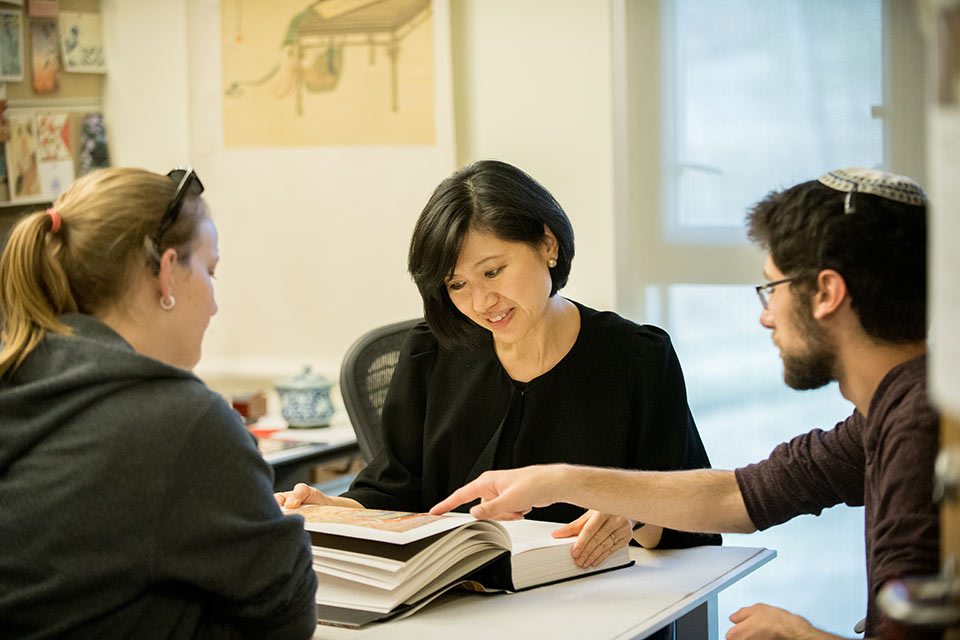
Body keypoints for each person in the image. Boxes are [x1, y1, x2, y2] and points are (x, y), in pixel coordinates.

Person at [431, 168, 940, 640]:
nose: (766, 317)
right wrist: (557, 480)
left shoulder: (922, 431)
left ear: (827, 293)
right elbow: (736, 496)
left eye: (772, 289)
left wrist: (806, 637)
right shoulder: (894, 411)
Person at [277, 159, 720, 569]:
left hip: (601, 599)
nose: (481, 303)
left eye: (493, 272)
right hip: (461, 602)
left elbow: (692, 516)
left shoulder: (636, 357)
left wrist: (634, 514)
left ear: (547, 244)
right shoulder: (429, 353)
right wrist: (337, 510)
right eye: (457, 284)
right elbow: (395, 491)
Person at [0, 168, 317, 639]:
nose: (214, 305)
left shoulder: (19, 383)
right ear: (167, 273)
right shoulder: (182, 422)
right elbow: (289, 617)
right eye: (209, 271)